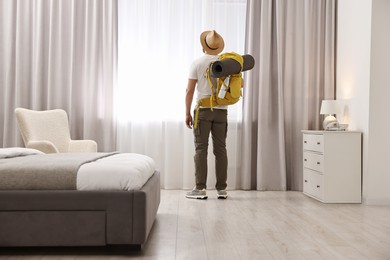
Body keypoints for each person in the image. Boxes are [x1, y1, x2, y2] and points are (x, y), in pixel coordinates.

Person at [185, 30, 228, 200]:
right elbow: (241, 84)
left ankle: (200, 189)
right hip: (222, 111)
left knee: (201, 149)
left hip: (203, 110)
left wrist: (187, 112)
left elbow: (189, 90)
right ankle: (222, 189)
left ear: (204, 46)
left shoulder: (197, 63)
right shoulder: (227, 63)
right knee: (221, 149)